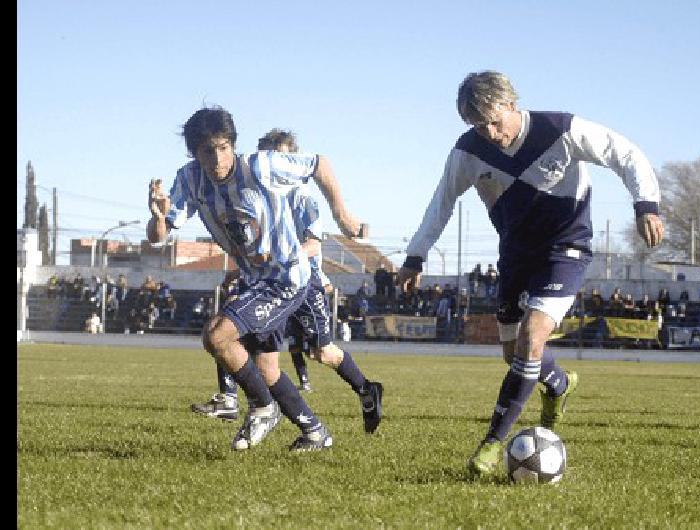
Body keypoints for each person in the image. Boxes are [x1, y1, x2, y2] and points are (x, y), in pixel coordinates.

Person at [395, 71, 664, 476]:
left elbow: (624, 153)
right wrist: (415, 257)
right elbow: (441, 203)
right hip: (515, 256)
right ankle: (559, 384)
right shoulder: (468, 151)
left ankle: (492, 443)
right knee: (514, 353)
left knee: (531, 336)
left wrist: (646, 203)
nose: (488, 132)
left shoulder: (560, 129)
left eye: (493, 120)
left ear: (511, 103)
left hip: (565, 249)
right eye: (477, 125)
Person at [150, 107, 367, 453]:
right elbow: (158, 236)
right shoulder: (190, 179)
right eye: (208, 151)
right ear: (195, 153)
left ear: (233, 144)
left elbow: (319, 164)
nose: (218, 158)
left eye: (223, 148)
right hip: (255, 280)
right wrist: (158, 217)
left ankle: (263, 408)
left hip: (286, 277)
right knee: (266, 368)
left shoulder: (260, 166)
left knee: (216, 335)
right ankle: (315, 432)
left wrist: (342, 213)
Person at [191, 128, 382, 427]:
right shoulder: (256, 192)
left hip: (303, 283)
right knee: (238, 336)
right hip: (269, 282)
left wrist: (283, 258)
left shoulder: (304, 197)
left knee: (322, 352)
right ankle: (238, 401)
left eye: (278, 156)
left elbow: (314, 245)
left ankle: (366, 389)